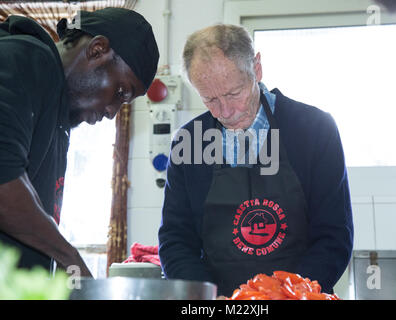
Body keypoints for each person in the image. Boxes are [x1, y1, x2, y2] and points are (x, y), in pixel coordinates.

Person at [158, 24, 353, 296]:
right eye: (210, 99)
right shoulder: (189, 141)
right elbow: (175, 241)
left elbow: (334, 237)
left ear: (256, 69)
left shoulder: (314, 129)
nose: (225, 111)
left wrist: (285, 294)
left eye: (233, 94)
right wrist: (210, 297)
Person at [0, 7, 159, 277]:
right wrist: (71, 260)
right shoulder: (24, 59)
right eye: (121, 92)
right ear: (97, 50)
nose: (112, 113)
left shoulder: (58, 113)